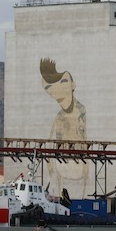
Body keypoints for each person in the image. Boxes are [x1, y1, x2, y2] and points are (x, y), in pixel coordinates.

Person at [40, 58, 90, 199]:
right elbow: (49, 145)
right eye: (49, 88)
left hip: (78, 171)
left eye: (63, 81)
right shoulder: (59, 118)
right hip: (62, 172)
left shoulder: (82, 113)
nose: (56, 90)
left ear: (73, 85)